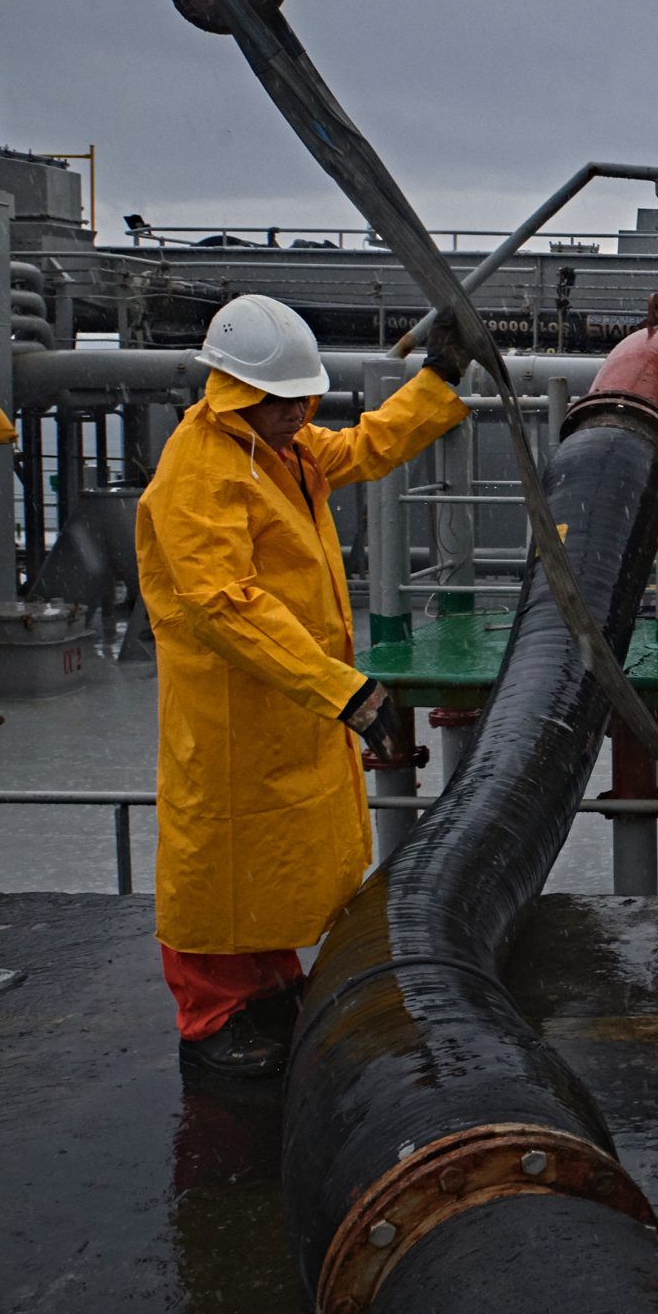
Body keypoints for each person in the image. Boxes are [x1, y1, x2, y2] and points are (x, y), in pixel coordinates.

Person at [136, 293, 469, 1077]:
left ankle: (265, 982)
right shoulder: (202, 469)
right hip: (232, 703)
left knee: (270, 852)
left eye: (302, 400)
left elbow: (362, 448)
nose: (299, 413)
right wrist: (343, 689)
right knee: (215, 857)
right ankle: (210, 1014)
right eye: (283, 401)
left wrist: (439, 376)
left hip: (286, 694)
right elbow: (226, 605)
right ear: (239, 396)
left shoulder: (274, 446)